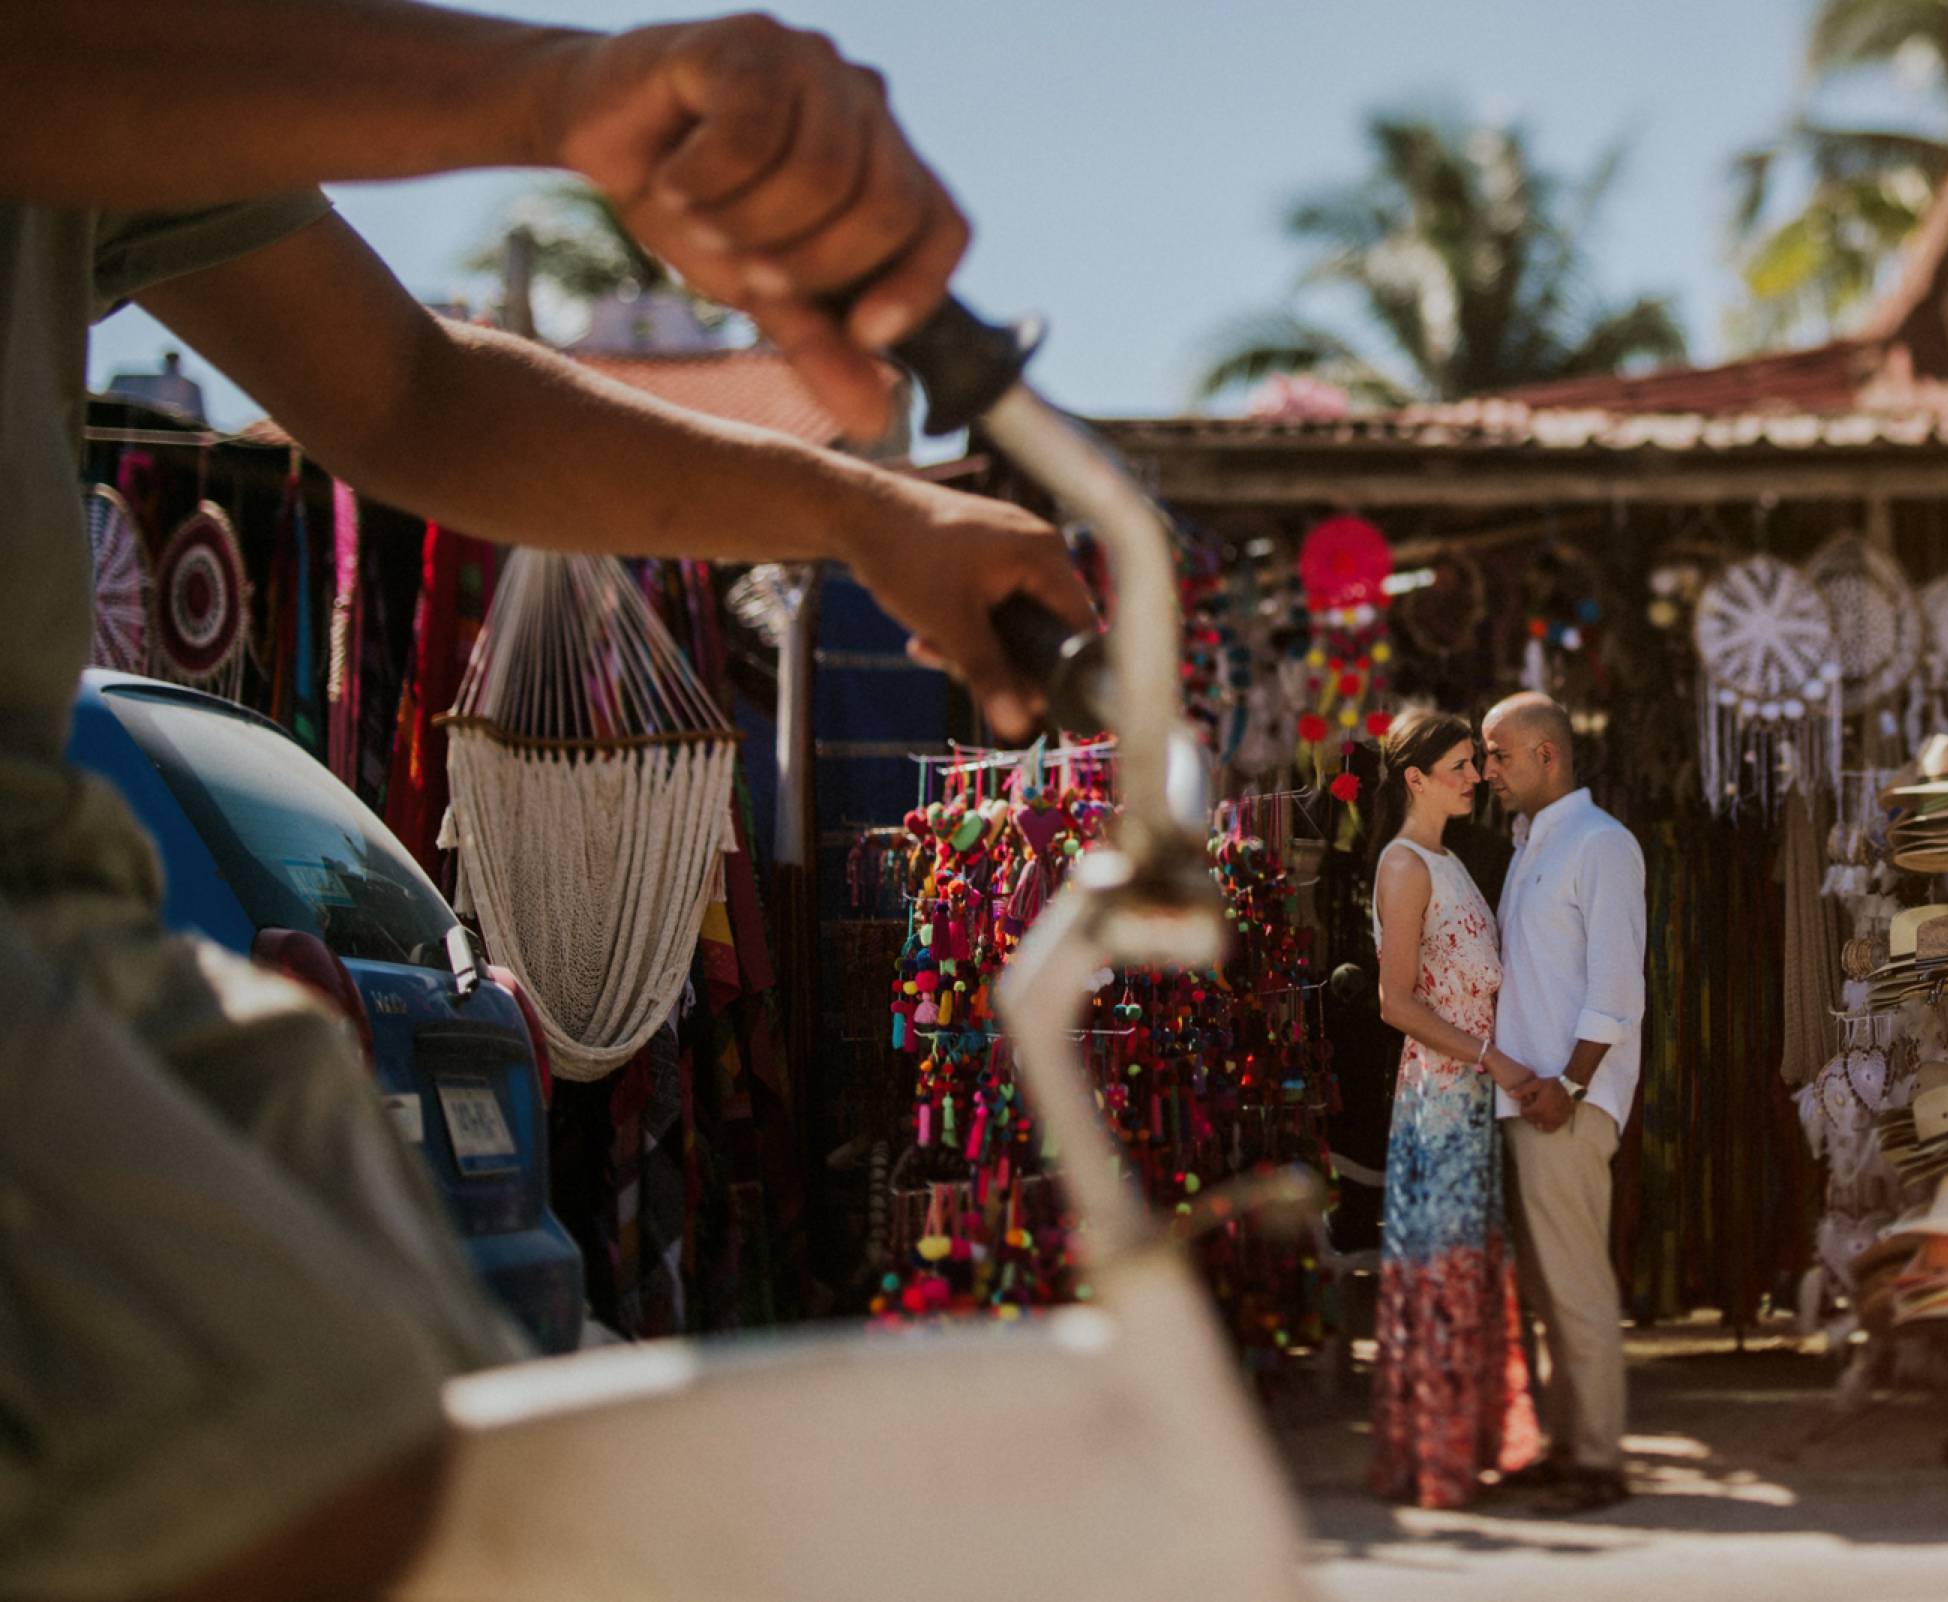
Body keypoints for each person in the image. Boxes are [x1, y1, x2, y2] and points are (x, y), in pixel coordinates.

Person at [1, 7, 1092, 1598]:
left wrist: (861, 514)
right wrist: (567, 96)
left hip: (73, 908)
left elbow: (404, 391)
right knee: (306, 1474)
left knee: (495, 1495)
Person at [1364, 708, 1546, 1508]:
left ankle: (1459, 1449)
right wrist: (1493, 1058)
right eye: (1462, 766)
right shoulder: (1406, 866)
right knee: (1442, 1271)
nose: (1479, 777)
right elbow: (1394, 1003)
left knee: (1467, 1269)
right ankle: (1436, 1461)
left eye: (1478, 763)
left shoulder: (1449, 861)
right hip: (1441, 1096)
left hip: (1471, 1096)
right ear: (1415, 779)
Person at [1479, 690, 1647, 1514]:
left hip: (1568, 1102)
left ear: (1548, 754)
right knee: (1545, 1287)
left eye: (1499, 755)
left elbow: (1618, 989)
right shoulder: (1530, 846)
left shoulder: (1601, 844)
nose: (1487, 772)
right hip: (1532, 1098)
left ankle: (1599, 1460)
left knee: (1575, 1283)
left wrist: (1571, 1085)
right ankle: (1566, 1444)